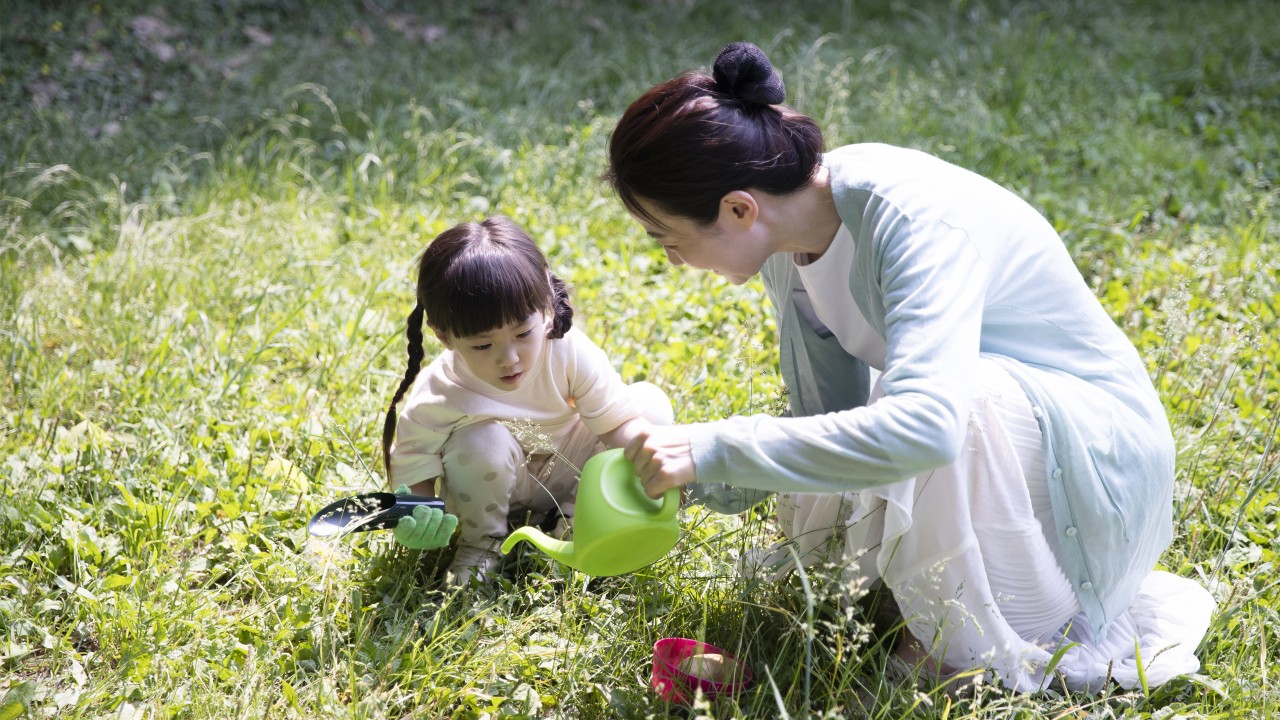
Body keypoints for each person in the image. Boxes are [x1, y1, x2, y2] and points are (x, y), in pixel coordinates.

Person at [606, 42, 1214, 692]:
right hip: (998, 458)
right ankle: (922, 604)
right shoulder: (788, 245)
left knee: (944, 403)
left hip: (1095, 467)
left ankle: (976, 649)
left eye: (668, 237)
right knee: (878, 423)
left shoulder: (911, 220)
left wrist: (710, 446)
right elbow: (825, 423)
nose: (671, 258)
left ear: (738, 209)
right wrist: (684, 475)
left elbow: (929, 429)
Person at [381, 216, 674, 585]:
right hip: (495, 487)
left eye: (523, 333)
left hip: (571, 470)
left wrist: (660, 461)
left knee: (650, 404)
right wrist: (418, 513)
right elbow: (414, 462)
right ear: (445, 337)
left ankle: (578, 524)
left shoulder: (567, 351)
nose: (510, 358)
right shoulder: (441, 389)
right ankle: (482, 544)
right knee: (479, 441)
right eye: (483, 345)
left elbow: (616, 423)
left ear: (546, 308)